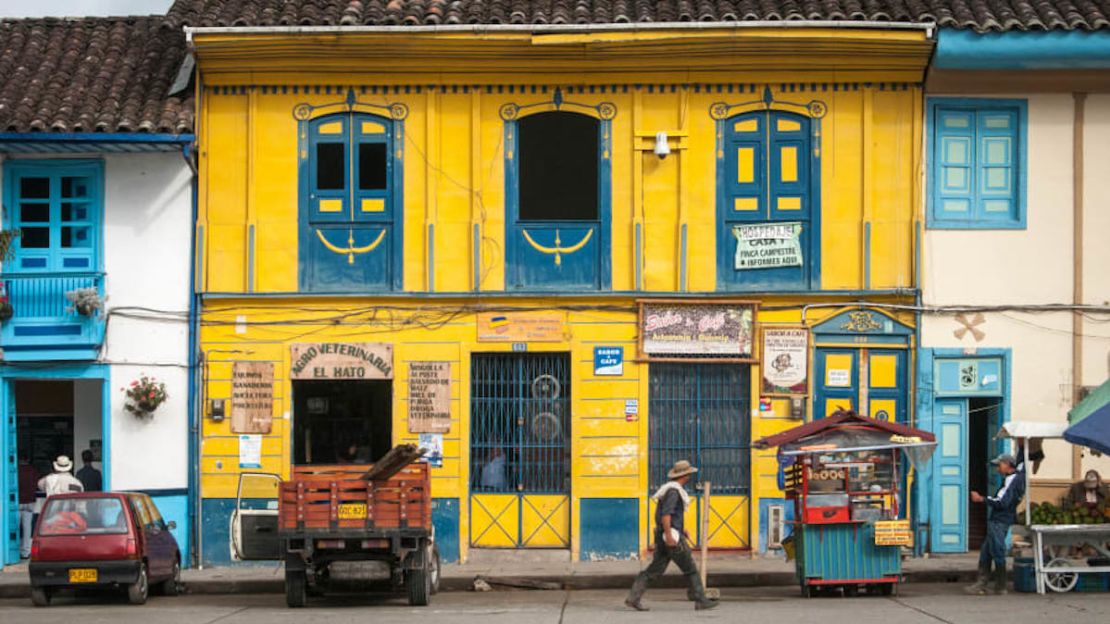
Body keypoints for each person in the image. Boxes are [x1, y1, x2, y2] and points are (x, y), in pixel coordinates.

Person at [625, 460, 718, 611]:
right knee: (691, 569)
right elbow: (666, 515)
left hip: (665, 534)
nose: (689, 477)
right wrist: (670, 535)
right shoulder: (674, 492)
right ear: (686, 475)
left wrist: (681, 529)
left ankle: (633, 597)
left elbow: (668, 516)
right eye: (689, 474)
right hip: (671, 537)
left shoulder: (668, 489)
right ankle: (700, 600)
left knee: (654, 569)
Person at [966, 453, 1025, 596]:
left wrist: (981, 499)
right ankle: (982, 583)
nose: (998, 469)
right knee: (986, 551)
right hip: (999, 520)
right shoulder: (1014, 478)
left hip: (1000, 520)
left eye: (999, 465)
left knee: (997, 551)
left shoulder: (1012, 480)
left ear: (1006, 464)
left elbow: (1001, 502)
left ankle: (1000, 586)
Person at [18, 452, 37, 558]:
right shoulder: (32, 470)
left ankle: (14, 550)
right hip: (29, 501)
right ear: (27, 459)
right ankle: (25, 551)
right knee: (27, 527)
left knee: (14, 528)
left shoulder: (14, 471)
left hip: (16, 502)